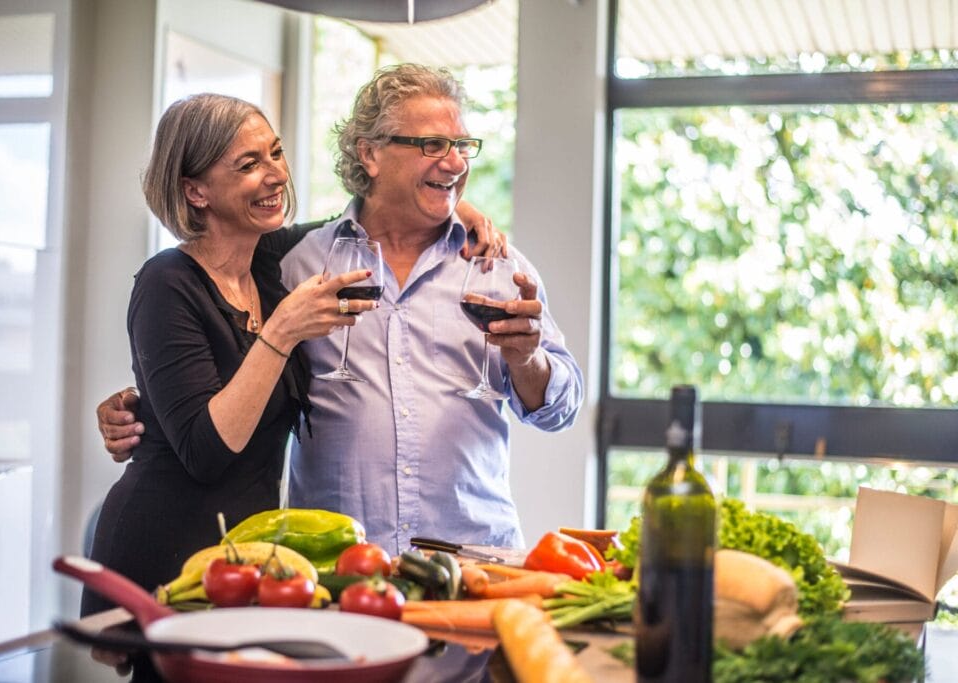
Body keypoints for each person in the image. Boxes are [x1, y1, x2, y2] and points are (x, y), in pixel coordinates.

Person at [99, 64, 584, 556]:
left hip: (475, 561)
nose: (456, 162)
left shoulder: (496, 266)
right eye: (431, 145)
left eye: (462, 146)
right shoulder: (293, 263)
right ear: (369, 154)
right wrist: (144, 412)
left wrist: (527, 360)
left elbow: (561, 410)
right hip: (337, 569)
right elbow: (201, 351)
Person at [81, 92, 381, 616]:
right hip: (164, 549)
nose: (275, 174)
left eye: (275, 152)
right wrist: (280, 334)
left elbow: (370, 219)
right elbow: (206, 452)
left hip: (245, 555)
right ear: (195, 190)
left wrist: (456, 205)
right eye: (248, 165)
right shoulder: (166, 282)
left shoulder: (269, 265)